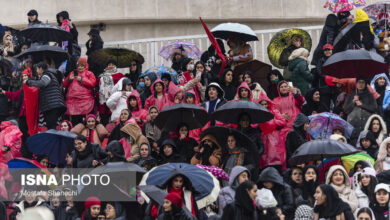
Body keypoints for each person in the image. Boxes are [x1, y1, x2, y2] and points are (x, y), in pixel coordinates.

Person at [273, 81, 305, 170]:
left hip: (296, 126)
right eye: (281, 87)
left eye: (285, 86)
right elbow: (273, 113)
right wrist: (280, 116)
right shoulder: (275, 100)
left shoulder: (294, 97)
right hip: (283, 129)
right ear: (278, 89)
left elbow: (302, 101)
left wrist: (296, 93)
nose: (284, 88)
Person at [25, 62, 66, 130]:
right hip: (52, 105)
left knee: (51, 125)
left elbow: (42, 83)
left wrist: (28, 82)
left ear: (41, 68)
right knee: (51, 125)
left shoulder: (46, 75)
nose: (36, 70)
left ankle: (52, 139)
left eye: (37, 68)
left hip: (52, 105)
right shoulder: (50, 75)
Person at [344, 77, 378, 145]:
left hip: (366, 126)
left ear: (365, 84)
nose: (361, 84)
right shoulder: (351, 95)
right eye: (359, 82)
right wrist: (353, 101)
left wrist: (362, 105)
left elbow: (374, 108)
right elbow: (346, 109)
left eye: (363, 82)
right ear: (356, 84)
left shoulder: (369, 95)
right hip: (353, 127)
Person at [63, 57, 96, 125]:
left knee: (84, 121)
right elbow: (64, 84)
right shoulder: (72, 73)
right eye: (78, 66)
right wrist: (69, 79)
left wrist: (81, 79)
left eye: (82, 66)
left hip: (85, 101)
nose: (80, 67)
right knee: (74, 121)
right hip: (72, 102)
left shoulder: (89, 73)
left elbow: (92, 83)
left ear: (85, 66)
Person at [258, 93, 287, 171]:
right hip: (263, 138)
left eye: (265, 104)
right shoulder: (257, 113)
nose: (264, 106)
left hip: (275, 138)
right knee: (265, 159)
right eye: (262, 104)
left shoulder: (275, 112)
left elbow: (283, 122)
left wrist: (272, 121)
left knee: (276, 159)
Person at [98, 59, 125, 125]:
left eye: (112, 64)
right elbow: (97, 85)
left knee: (114, 118)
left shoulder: (120, 75)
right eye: (109, 64)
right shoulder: (101, 76)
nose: (111, 66)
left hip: (115, 99)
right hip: (104, 100)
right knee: (104, 119)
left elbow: (123, 85)